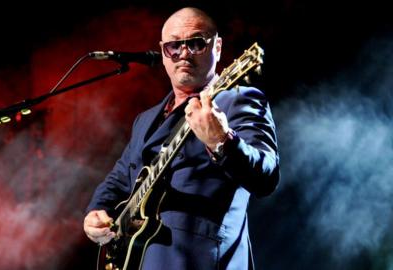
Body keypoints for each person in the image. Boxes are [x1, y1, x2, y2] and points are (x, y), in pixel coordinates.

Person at [83, 7, 280, 270]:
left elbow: (266, 175)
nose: (184, 54)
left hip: (202, 260)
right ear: (163, 52)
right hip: (139, 259)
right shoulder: (146, 119)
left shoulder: (239, 100)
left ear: (217, 47)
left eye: (196, 43)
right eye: (174, 46)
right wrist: (96, 213)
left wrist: (222, 140)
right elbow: (120, 177)